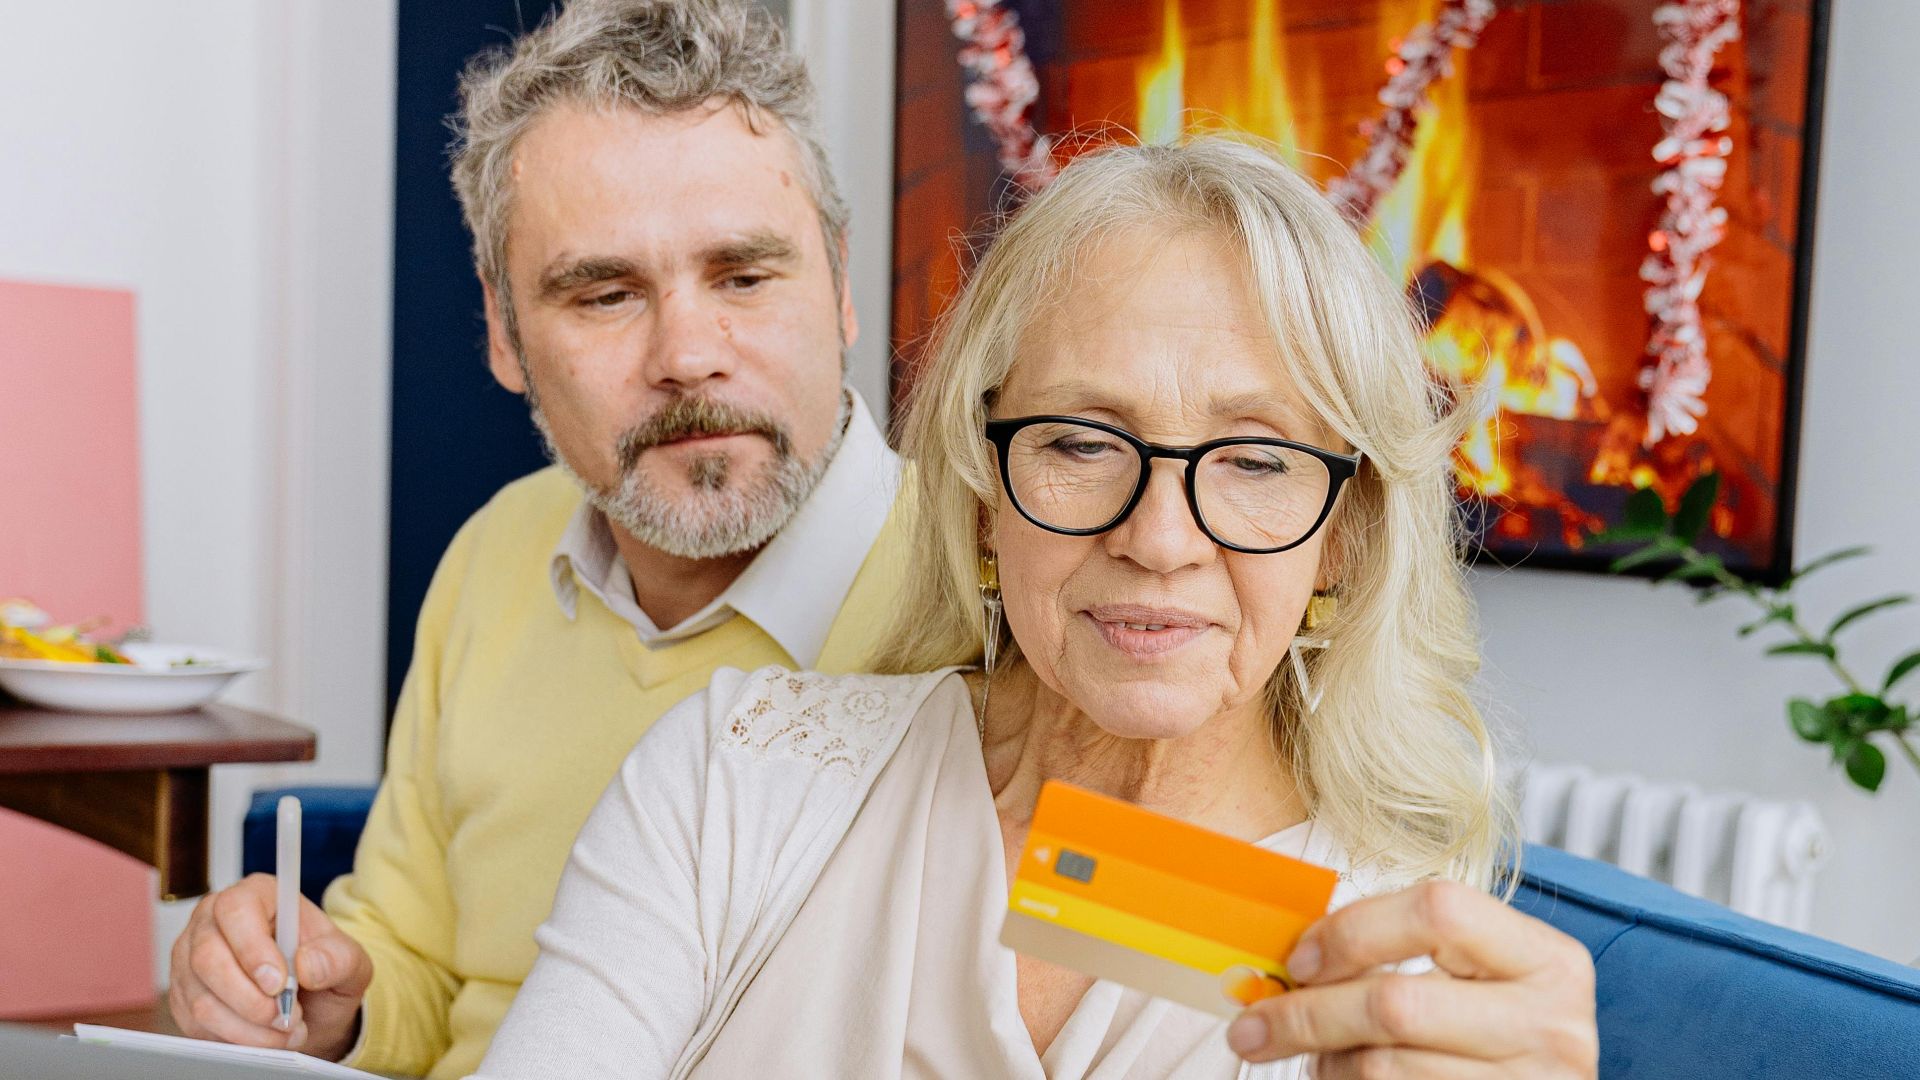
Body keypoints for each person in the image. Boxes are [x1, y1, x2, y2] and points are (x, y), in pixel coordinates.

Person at [474, 137, 1600, 1079]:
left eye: (1256, 460)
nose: (1159, 539)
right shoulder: (740, 781)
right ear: (975, 496)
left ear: (1341, 539)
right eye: (1076, 441)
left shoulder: (1398, 978)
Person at [163, 3, 907, 1077]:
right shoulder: (496, 555)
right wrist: (319, 1001)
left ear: (838, 284)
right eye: (605, 294)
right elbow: (415, 966)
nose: (688, 354)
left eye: (744, 277)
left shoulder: (1002, 584)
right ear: (505, 332)